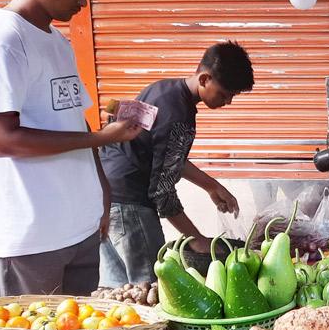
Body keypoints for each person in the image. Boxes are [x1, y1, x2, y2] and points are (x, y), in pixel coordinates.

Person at [0, 0, 143, 297]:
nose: (82, 3)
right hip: (28, 238)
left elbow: (73, 117)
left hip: (77, 227)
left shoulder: (57, 42)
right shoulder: (2, 41)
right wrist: (100, 137)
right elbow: (2, 140)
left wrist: (101, 189)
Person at [98, 42, 253, 287]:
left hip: (107, 197)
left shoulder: (162, 90)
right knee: (149, 289)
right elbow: (162, 192)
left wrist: (210, 186)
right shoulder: (178, 116)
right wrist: (196, 238)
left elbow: (164, 155)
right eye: (225, 94)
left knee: (118, 294)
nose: (228, 102)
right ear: (204, 79)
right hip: (131, 206)